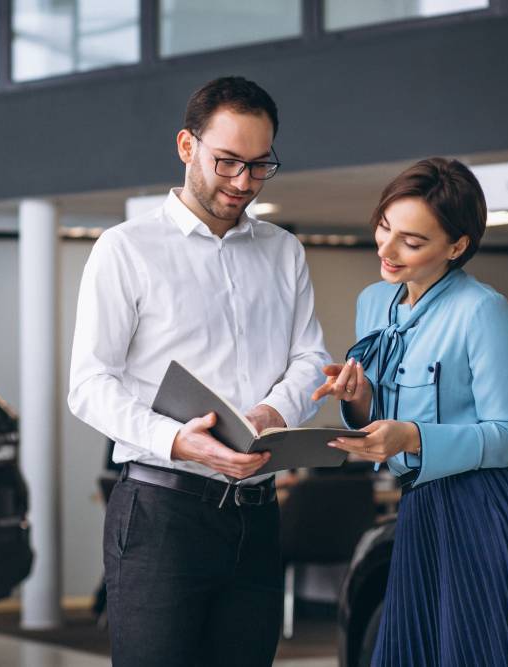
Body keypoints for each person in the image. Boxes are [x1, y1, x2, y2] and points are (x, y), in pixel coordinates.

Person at [68, 76, 330, 667]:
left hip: (257, 517)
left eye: (261, 166)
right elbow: (88, 385)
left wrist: (273, 412)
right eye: (228, 162)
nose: (243, 183)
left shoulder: (283, 250)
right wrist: (178, 442)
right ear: (187, 147)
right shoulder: (124, 249)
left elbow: (311, 358)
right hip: (161, 516)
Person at [313, 157, 508, 666]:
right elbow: (382, 412)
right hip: (421, 511)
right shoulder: (373, 302)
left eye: (411, 241)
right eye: (384, 228)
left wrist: (411, 438)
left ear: (457, 246)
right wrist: (358, 400)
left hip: (485, 513)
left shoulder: (482, 310)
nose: (386, 249)